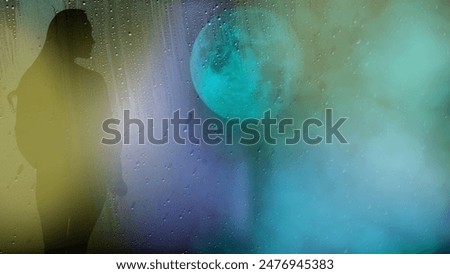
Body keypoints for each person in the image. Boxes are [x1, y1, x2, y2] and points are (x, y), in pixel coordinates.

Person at [11, 9, 126, 253]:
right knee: (75, 250)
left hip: (53, 183)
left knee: (54, 250)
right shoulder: (92, 82)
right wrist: (114, 176)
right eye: (88, 33)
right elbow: (108, 134)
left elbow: (25, 135)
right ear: (71, 36)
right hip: (89, 181)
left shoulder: (35, 78)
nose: (93, 40)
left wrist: (48, 166)